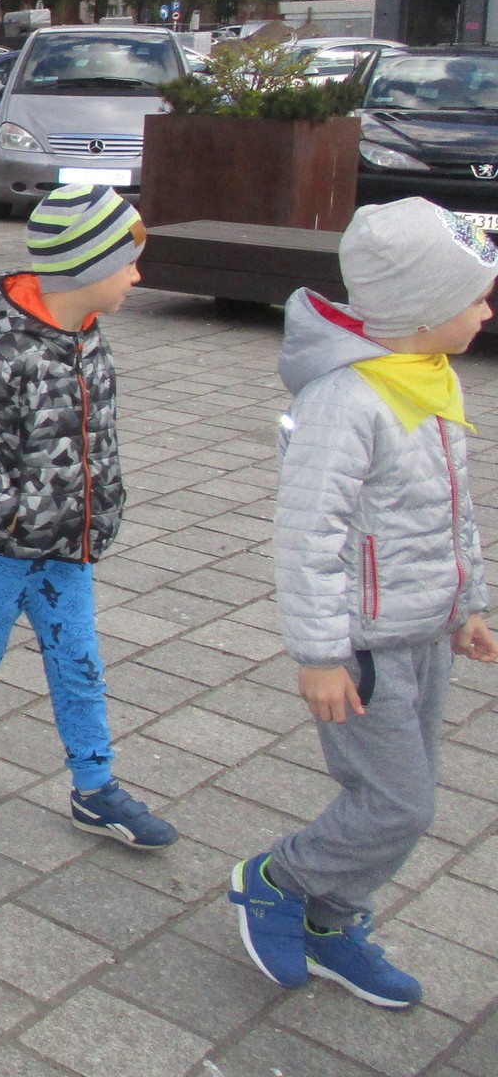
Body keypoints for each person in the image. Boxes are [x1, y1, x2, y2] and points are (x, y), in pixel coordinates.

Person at [230, 198, 498, 1010]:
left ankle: (331, 918)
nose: (487, 312)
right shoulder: (346, 400)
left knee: (404, 797)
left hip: (424, 633)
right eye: (476, 298)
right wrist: (320, 655)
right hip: (363, 649)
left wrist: (469, 604)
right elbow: (307, 534)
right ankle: (279, 880)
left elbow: (452, 509)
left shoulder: (428, 376)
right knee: (398, 805)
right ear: (420, 311)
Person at [0, 185, 178, 851]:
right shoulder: (6, 352)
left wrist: (99, 505)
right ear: (85, 267)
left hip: (66, 545)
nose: (137, 277)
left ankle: (95, 787)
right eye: (128, 263)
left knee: (79, 660)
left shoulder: (86, 336)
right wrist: (15, 518)